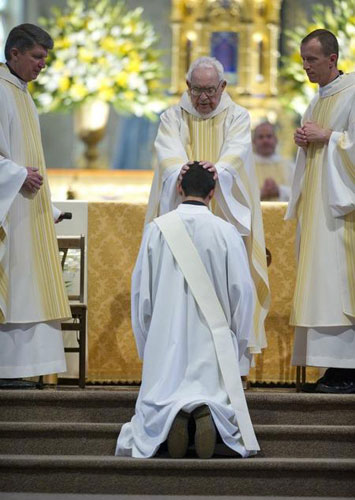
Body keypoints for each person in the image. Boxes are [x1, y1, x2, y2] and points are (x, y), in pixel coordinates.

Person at [116, 164, 259, 459]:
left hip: (167, 341)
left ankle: (174, 414)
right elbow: (242, 292)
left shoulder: (157, 229)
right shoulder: (226, 232)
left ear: (179, 189)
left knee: (165, 388)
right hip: (213, 345)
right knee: (213, 386)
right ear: (213, 192)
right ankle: (205, 409)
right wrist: (236, 340)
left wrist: (149, 343)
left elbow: (142, 295)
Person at [145, 56, 269, 362]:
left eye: (211, 90)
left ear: (223, 86)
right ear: (187, 86)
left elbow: (237, 153)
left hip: (224, 221)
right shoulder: (172, 117)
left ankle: (232, 363)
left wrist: (218, 171)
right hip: (182, 220)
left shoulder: (237, 116)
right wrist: (184, 172)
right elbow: (167, 154)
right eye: (197, 90)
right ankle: (179, 358)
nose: (203, 98)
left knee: (228, 287)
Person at [0, 24, 71, 384]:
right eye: (37, 56)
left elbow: (30, 158)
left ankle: (20, 371)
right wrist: (15, 176)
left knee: (29, 290)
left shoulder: (22, 93)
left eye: (45, 57)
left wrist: (49, 208)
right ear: (14, 53)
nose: (43, 64)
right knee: (15, 290)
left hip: (25, 209)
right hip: (8, 215)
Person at [286, 29, 355, 393]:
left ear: (332, 59)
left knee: (339, 288)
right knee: (322, 287)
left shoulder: (354, 92)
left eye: (311, 60)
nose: (306, 67)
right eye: (303, 61)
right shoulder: (315, 101)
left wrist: (328, 138)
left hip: (343, 215)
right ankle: (333, 369)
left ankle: (349, 371)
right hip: (318, 210)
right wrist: (305, 142)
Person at [253, 121, 294, 201]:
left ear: (276, 140)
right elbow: (239, 196)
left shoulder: (289, 166)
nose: (265, 140)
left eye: (269, 136)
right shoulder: (246, 166)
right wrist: (260, 193)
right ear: (254, 142)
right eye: (261, 137)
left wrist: (279, 191)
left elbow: (299, 193)